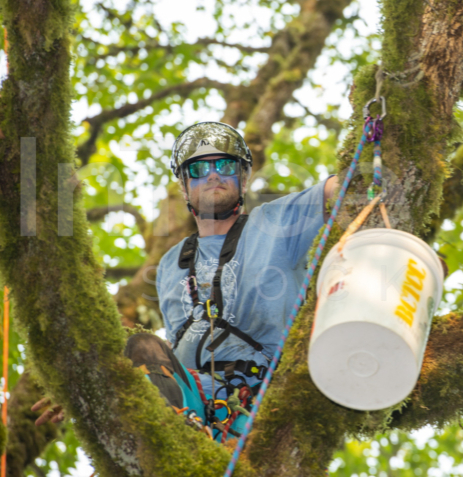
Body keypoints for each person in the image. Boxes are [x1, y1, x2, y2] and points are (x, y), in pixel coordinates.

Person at [34, 121, 338, 442]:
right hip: (188, 400)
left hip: (260, 400)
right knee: (139, 345)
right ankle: (182, 437)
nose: (213, 174)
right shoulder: (170, 264)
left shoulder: (275, 221)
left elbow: (341, 188)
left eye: (224, 165)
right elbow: (174, 352)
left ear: (243, 179)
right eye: (199, 169)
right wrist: (88, 384)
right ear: (184, 187)